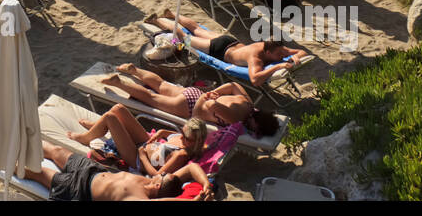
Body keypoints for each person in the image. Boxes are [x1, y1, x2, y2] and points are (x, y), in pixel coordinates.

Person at [100, 63, 279, 131]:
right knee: (151, 99)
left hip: (195, 93)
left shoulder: (247, 103)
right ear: (257, 124)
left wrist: (216, 93)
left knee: (161, 85)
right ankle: (118, 83)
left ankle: (134, 70)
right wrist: (199, 111)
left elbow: (234, 86)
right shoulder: (236, 118)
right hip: (191, 105)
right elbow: (208, 109)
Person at [145, 11, 310, 84]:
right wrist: (280, 65)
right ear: (267, 52)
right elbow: (255, 80)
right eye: (278, 55)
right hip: (218, 49)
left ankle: (173, 15)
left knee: (197, 29)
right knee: (184, 38)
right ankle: (156, 20)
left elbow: (301, 51)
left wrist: (295, 56)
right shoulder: (256, 58)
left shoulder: (274, 47)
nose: (282, 55)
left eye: (282, 53)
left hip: (229, 41)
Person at [22, 141, 207, 201]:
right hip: (91, 169)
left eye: (165, 175)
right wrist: (206, 184)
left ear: (158, 184)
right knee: (56, 151)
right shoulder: (153, 180)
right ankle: (22, 139)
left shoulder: (138, 198)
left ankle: (4, 160)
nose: (163, 171)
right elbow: (191, 168)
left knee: (37, 172)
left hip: (77, 189)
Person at [68, 104, 208, 176]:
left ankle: (86, 138)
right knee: (119, 108)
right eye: (182, 132)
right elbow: (174, 135)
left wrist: (142, 157)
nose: (181, 137)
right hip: (145, 142)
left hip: (137, 159)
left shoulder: (180, 155)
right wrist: (163, 132)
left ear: (196, 142)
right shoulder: (185, 138)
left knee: (110, 117)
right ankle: (99, 126)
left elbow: (157, 176)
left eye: (187, 138)